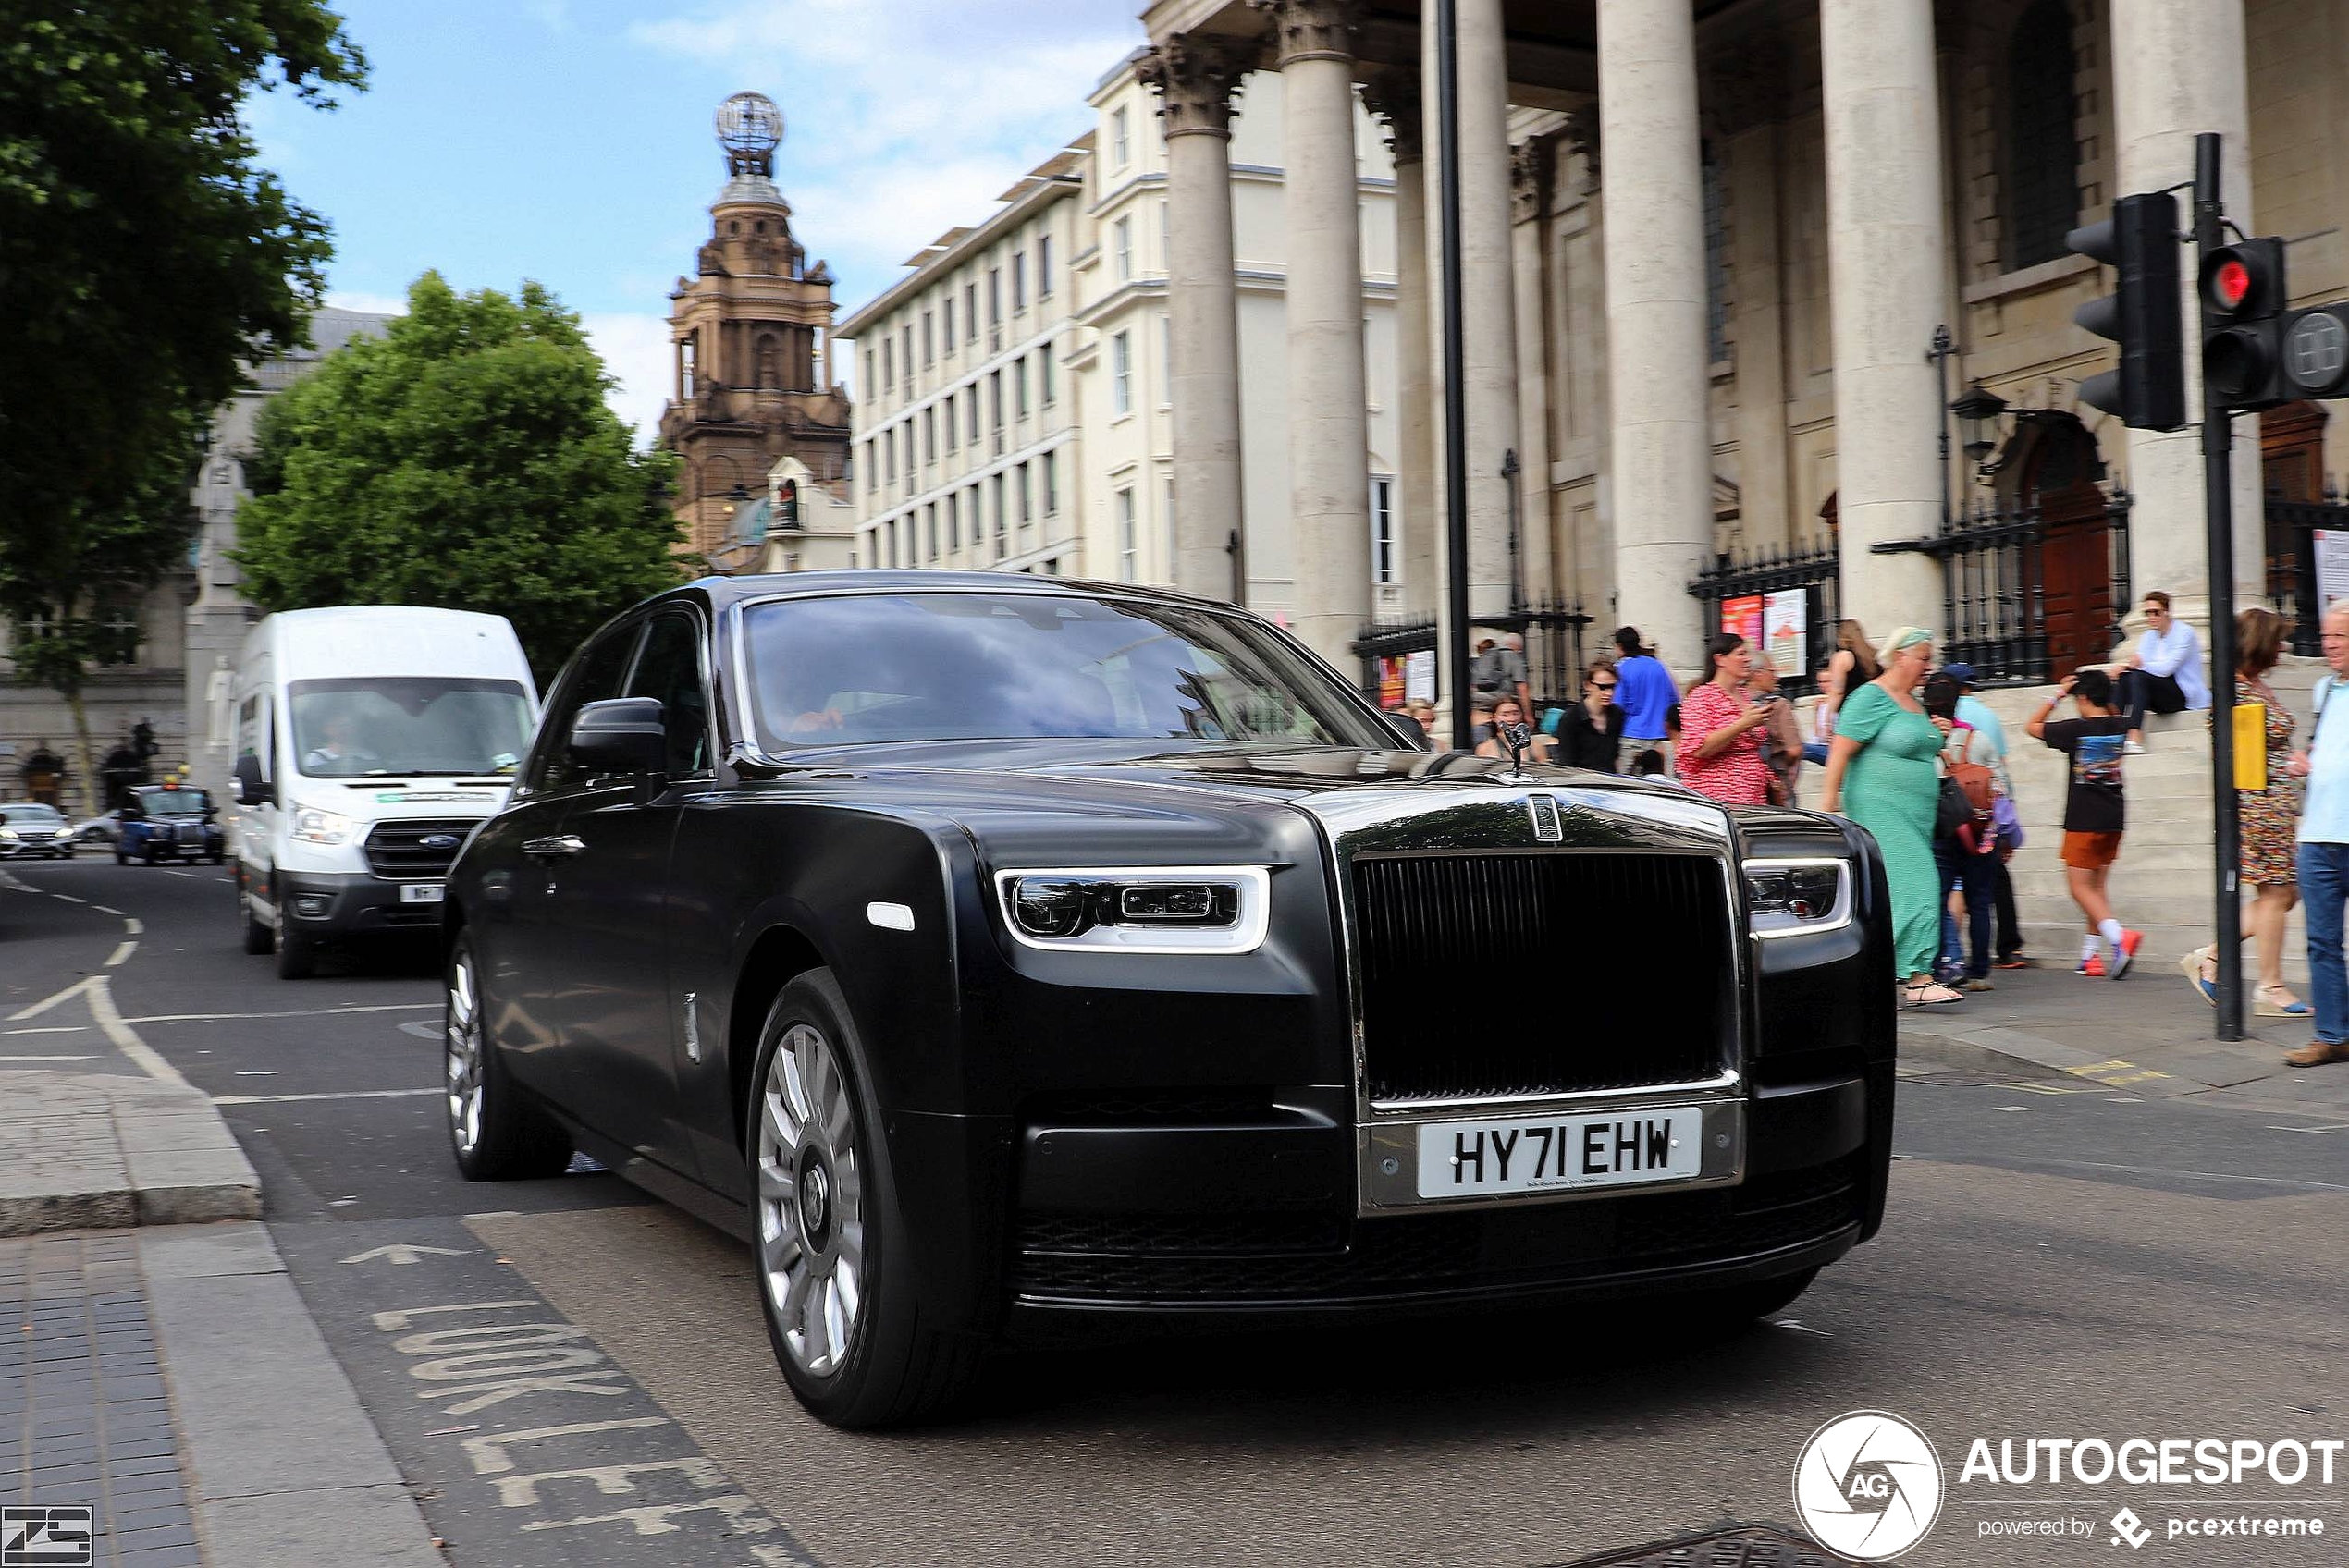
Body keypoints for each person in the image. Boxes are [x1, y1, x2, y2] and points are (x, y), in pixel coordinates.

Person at [1820, 627, 1960, 1007]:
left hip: (1916, 814)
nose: (1929, 665)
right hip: (1881, 807)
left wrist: (1938, 738)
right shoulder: (1870, 697)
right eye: (1924, 657)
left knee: (1897, 890)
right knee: (1921, 883)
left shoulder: (1912, 700)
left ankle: (1877, 972)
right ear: (1900, 656)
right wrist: (1829, 799)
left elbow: (1915, 745)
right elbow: (1839, 750)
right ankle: (1917, 978)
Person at [2183, 607, 2306, 1016]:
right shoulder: (2233, 690)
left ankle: (2212, 957)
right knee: (2276, 893)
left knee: (2285, 894)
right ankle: (2270, 986)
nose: (2283, 647)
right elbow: (2232, 754)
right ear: (2259, 644)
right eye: (2277, 640)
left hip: (2276, 807)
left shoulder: (2252, 684)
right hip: (2259, 807)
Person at [2027, 668, 2142, 980]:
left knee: (2079, 888)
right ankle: (2090, 956)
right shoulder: (2120, 724)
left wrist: (2057, 694)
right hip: (2114, 817)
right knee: (2097, 888)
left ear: (2083, 698)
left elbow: (2032, 726)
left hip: (2083, 817)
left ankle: (2120, 938)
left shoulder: (2075, 729)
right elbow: (2114, 714)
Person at [2285, 602, 2349, 1066]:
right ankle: (2332, 1035)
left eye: (2340, 636)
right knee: (2322, 941)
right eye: (2327, 636)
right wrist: (2306, 763)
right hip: (2318, 836)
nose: (2330, 644)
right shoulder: (2324, 690)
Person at [1942, 662, 2027, 968]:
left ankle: (1950, 957)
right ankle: (2002, 952)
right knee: (1984, 896)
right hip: (1984, 822)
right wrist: (2006, 824)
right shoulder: (1987, 717)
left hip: (1950, 821)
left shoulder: (1939, 723)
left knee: (1948, 891)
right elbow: (1999, 774)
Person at [1923, 671, 2000, 991]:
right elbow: (2000, 784)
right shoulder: (1978, 738)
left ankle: (1947, 961)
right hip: (1980, 830)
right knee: (1980, 901)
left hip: (1942, 829)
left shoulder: (1925, 742)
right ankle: (1980, 971)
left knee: (1938, 898)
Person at [1678, 633, 1777, 807]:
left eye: (1747, 654)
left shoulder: (1745, 696)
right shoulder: (1701, 697)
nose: (1748, 660)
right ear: (1720, 659)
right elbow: (1699, 748)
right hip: (1718, 799)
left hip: (1753, 798)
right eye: (1741, 654)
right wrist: (1743, 724)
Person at [2107, 590, 2209, 753]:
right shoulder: (2149, 636)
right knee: (2126, 678)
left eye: (2156, 612)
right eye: (2148, 613)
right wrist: (2129, 668)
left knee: (2136, 676)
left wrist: (2133, 665)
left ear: (2167, 611)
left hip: (2183, 694)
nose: (2152, 617)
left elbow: (2166, 668)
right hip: (2158, 693)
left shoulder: (2185, 633)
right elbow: (2141, 666)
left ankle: (2135, 735)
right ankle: (2112, 734)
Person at [1807, 620, 1879, 766]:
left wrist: (1828, 720)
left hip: (1851, 715)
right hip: (1876, 714)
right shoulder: (1876, 656)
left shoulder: (1842, 657)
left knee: (1846, 759)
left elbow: (1837, 692)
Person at [1609, 626, 1679, 772]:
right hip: (1660, 735)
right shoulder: (1658, 666)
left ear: (1619, 646)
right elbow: (1674, 699)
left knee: (1627, 785)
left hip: (1631, 734)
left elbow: (1617, 706)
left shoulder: (1621, 668)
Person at [1751, 655, 1805, 804]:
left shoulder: (1735, 703)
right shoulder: (1779, 705)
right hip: (1776, 786)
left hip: (1746, 788)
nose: (1776, 677)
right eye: (1772, 672)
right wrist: (1782, 765)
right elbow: (1795, 750)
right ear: (1757, 674)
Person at [1556, 660, 1622, 772]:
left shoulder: (1617, 714)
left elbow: (1615, 756)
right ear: (1587, 685)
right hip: (1582, 783)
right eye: (1602, 687)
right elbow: (1566, 762)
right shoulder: (1571, 718)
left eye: (1612, 687)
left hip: (1610, 782)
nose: (1609, 693)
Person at [1474, 695, 1556, 765]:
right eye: (1505, 714)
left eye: (1515, 713)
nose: (1511, 719)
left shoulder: (1535, 745)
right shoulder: (1484, 748)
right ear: (1494, 717)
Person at [301, 709, 380, 775]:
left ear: (354, 729)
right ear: (326, 729)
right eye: (336, 726)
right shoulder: (314, 758)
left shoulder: (367, 757)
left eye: (346, 725)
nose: (342, 730)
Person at [1471, 633, 1531, 717]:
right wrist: (1528, 714)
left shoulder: (1485, 655)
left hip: (1478, 701)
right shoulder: (1514, 657)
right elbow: (1522, 688)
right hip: (1500, 701)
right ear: (1517, 647)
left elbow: (1474, 683)